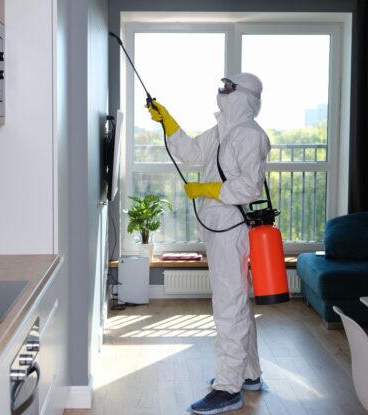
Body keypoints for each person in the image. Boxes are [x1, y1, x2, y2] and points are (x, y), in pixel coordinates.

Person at [147, 73, 270, 414]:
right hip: (218, 229)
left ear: (244, 95)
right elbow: (189, 153)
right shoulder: (222, 131)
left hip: (232, 230)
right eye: (223, 86)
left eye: (229, 87)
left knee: (228, 308)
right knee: (238, 304)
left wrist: (206, 190)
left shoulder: (249, 135)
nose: (223, 91)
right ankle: (249, 374)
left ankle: (228, 388)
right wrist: (167, 120)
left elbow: (249, 187)